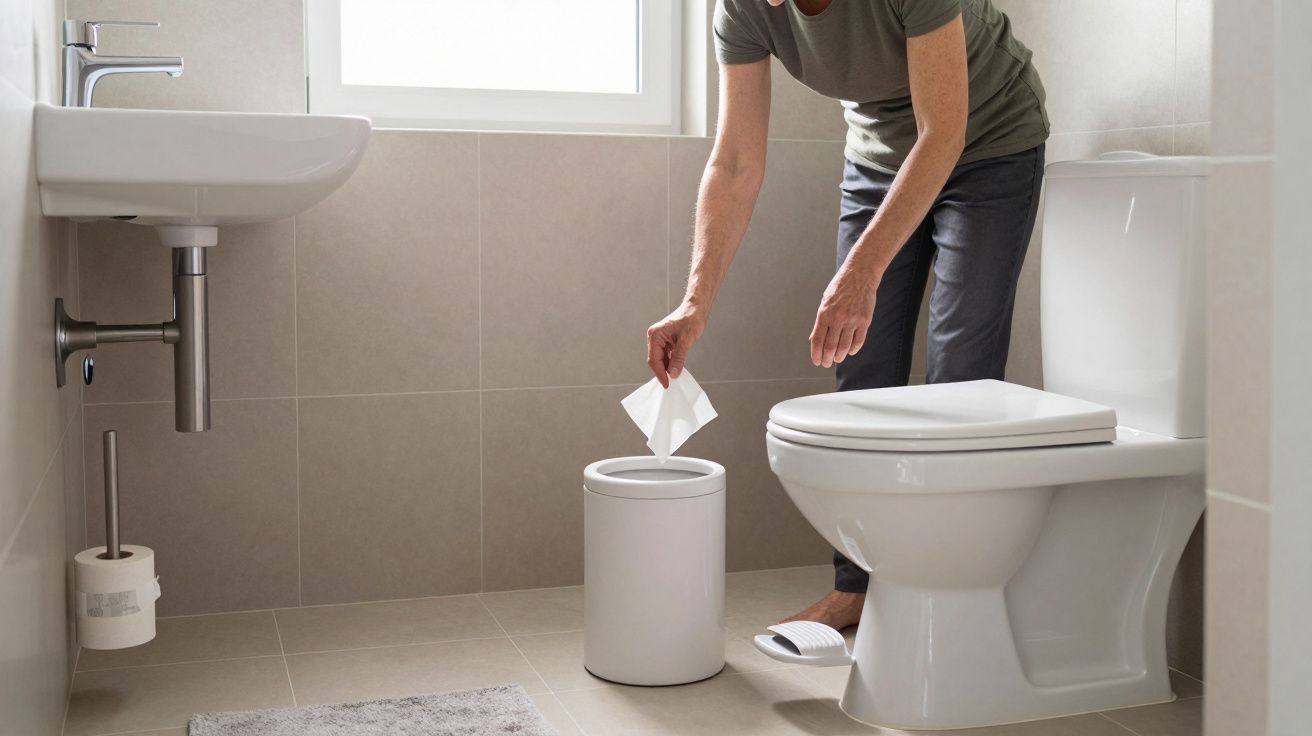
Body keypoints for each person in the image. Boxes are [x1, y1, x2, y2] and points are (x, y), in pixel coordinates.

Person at [645, 0, 1049, 631]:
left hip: (989, 143)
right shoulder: (743, 10)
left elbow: (944, 131)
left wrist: (862, 273)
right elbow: (734, 163)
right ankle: (858, 587)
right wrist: (695, 304)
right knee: (859, 372)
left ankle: (948, 590)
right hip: (880, 156)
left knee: (960, 377)